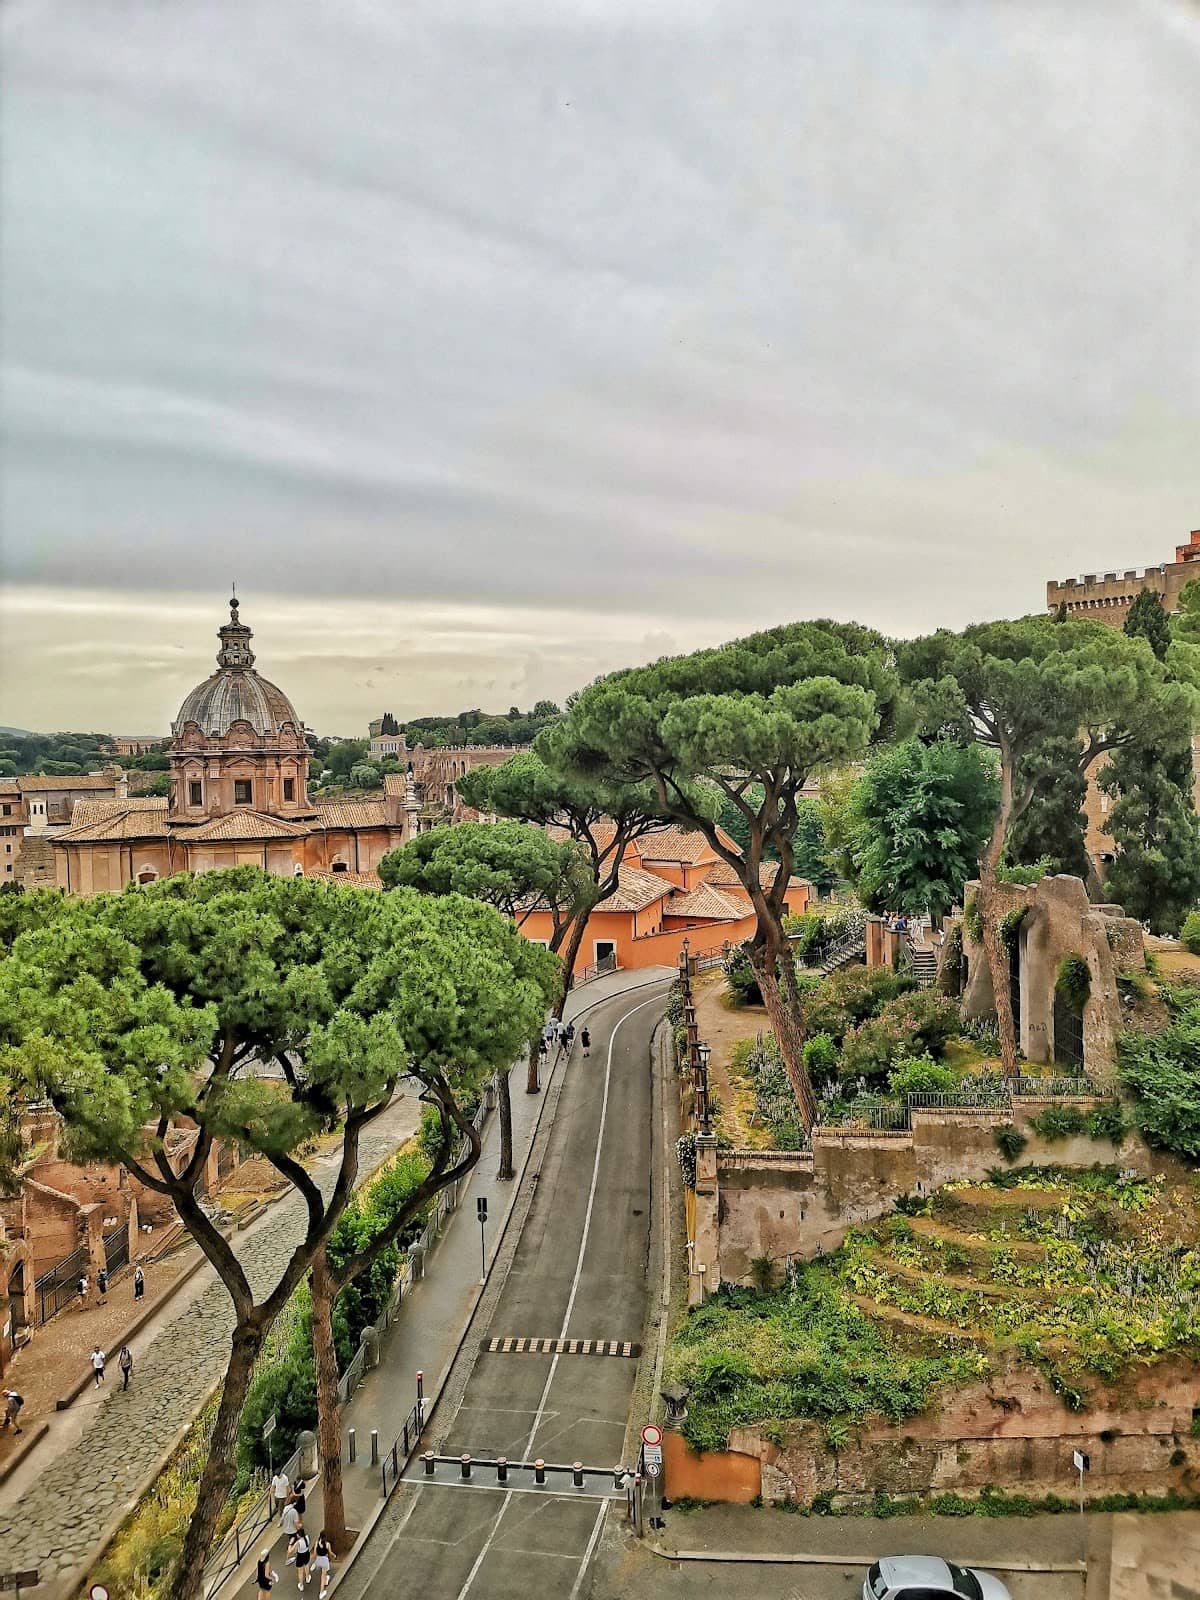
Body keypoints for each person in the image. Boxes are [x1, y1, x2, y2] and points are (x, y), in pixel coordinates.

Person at [289, 1524, 310, 1591]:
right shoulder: (307, 1537)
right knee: (306, 1565)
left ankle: (301, 1584)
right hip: (306, 1553)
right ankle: (307, 1577)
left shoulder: (298, 1542)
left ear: (299, 1535)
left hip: (300, 1556)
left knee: (300, 1571)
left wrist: (290, 1543)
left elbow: (291, 1551)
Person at [312, 1532, 333, 1597]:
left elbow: (315, 1553)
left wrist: (315, 1560)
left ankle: (326, 1580)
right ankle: (321, 1592)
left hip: (319, 1559)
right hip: (325, 1560)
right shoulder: (327, 1544)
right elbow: (330, 1552)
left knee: (324, 1572)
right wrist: (333, 1555)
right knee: (322, 1576)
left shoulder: (316, 1543)